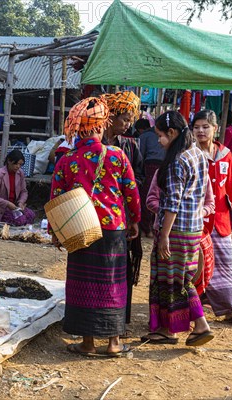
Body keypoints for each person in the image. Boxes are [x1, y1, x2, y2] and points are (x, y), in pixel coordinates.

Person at [50, 97, 140, 357]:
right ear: (100, 127)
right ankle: (113, 343)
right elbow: (131, 191)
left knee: (83, 284)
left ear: (79, 130)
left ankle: (87, 343)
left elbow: (56, 198)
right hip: (113, 228)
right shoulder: (117, 155)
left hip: (80, 229)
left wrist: (56, 233)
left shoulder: (66, 160)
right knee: (112, 283)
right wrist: (134, 220)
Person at [142, 111, 214, 346]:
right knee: (177, 279)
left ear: (172, 133)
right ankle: (168, 328)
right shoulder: (199, 154)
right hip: (193, 229)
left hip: (176, 231)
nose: (160, 141)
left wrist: (163, 235)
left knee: (177, 281)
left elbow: (172, 203)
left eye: (161, 136)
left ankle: (201, 325)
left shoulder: (177, 161)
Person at [193, 110, 232, 326]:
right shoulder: (190, 154)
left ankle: (228, 310)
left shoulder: (225, 154)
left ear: (215, 129)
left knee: (224, 265)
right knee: (196, 266)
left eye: (205, 126)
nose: (200, 131)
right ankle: (193, 311)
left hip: (222, 220)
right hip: (197, 220)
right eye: (196, 127)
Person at [101, 91, 145, 330]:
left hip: (123, 214)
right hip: (99, 216)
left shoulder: (130, 145)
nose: (128, 124)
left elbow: (139, 176)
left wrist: (121, 188)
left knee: (122, 266)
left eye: (130, 119)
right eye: (125, 118)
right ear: (111, 117)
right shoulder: (96, 143)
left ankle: (121, 320)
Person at [0, 149, 35, 226]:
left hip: (15, 207)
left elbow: (24, 191)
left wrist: (21, 202)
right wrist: (7, 203)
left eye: (20, 165)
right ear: (9, 161)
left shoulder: (20, 173)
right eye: (16, 164)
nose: (18, 167)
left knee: (31, 215)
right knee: (20, 220)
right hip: (0, 209)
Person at [138, 118, 166, 237]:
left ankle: (148, 229)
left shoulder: (144, 136)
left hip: (150, 167)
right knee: (160, 197)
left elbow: (140, 155)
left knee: (147, 197)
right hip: (163, 165)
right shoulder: (165, 135)